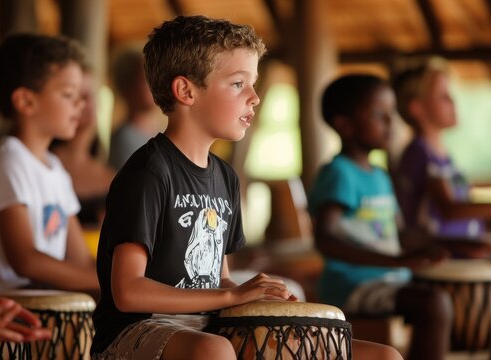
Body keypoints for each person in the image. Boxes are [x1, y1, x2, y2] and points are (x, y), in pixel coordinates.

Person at [92, 16, 402, 360]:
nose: (254, 98)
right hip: (138, 330)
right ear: (186, 91)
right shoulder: (149, 172)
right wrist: (230, 298)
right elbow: (128, 291)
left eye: (253, 84)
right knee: (215, 350)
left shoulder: (224, 177)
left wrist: (254, 295)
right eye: (238, 84)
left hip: (206, 326)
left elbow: (217, 279)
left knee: (382, 355)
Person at [308, 74, 454, 360]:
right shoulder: (339, 173)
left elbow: (399, 234)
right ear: (345, 124)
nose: (391, 123)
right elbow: (325, 240)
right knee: (434, 303)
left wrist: (449, 245)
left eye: (392, 114)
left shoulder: (380, 175)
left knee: (441, 296)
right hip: (353, 285)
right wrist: (397, 261)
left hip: (389, 278)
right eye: (379, 115)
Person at [0, 33, 98, 295]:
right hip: (1, 320)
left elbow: (79, 259)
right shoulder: (8, 161)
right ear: (26, 101)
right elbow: (25, 260)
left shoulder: (55, 170)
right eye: (68, 94)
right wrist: (107, 282)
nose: (80, 104)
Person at [393, 57, 491, 254]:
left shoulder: (442, 155)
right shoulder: (419, 153)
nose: (453, 101)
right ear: (417, 108)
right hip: (439, 258)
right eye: (443, 96)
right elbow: (449, 210)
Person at [52, 69, 115, 227]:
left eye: (91, 96)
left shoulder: (109, 173)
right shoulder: (48, 166)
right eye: (73, 95)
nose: (86, 103)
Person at [108, 46, 160, 170]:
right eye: (146, 79)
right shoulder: (124, 138)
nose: (155, 84)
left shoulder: (158, 132)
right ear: (127, 87)